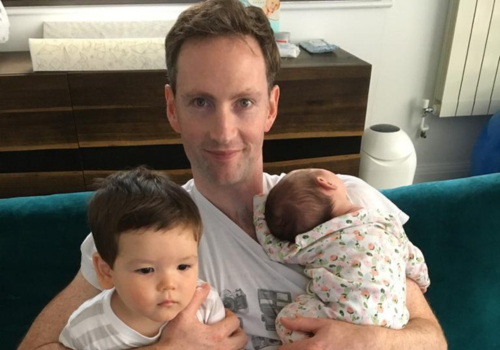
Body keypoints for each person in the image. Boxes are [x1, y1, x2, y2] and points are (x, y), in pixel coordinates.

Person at [18, 0, 447, 349]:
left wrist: (367, 341)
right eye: (201, 102)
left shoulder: (344, 201)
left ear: (271, 107)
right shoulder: (141, 226)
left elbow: (431, 339)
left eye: (244, 102)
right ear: (172, 108)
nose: (224, 133)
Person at [253, 168, 431, 344]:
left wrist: (259, 211)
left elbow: (275, 249)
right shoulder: (386, 221)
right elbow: (414, 258)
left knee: (288, 321)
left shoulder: (315, 241)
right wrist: (423, 281)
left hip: (343, 316)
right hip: (394, 322)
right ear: (326, 182)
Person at [58, 167, 225, 349]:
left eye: (183, 266)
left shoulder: (206, 304)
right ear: (106, 272)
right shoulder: (84, 329)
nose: (169, 283)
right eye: (146, 270)